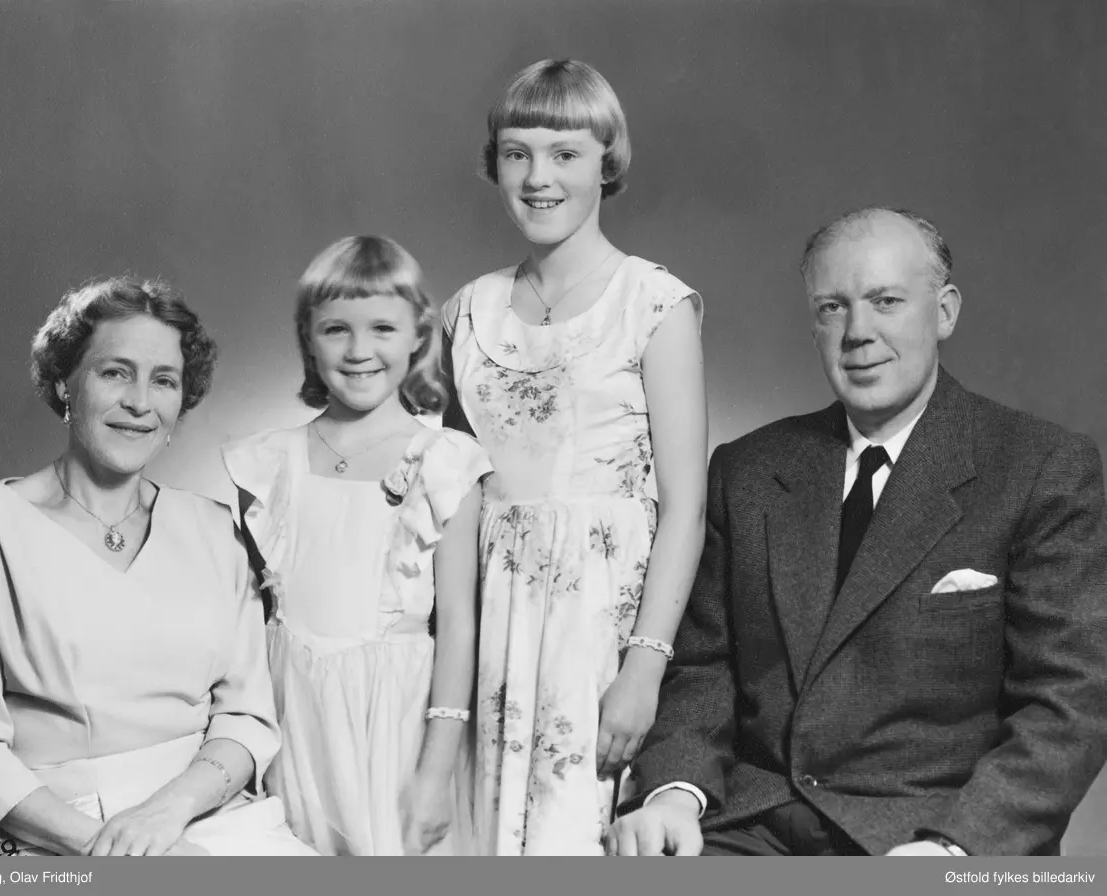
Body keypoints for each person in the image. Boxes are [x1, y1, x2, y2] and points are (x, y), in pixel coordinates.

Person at [608, 207, 1107, 856]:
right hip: (753, 828)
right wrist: (674, 791)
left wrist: (956, 847)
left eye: (886, 301)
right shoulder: (749, 470)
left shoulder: (1039, 467)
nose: (858, 332)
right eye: (832, 308)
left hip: (935, 836)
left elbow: (1069, 702)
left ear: (946, 311)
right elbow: (705, 667)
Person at [0, 277, 315, 856]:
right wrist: (119, 849)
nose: (139, 402)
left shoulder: (213, 529)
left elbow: (247, 718)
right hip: (61, 835)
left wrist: (168, 813)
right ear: (64, 382)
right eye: (114, 372)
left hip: (210, 812)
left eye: (164, 380)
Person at [443, 59, 708, 854]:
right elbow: (448, 492)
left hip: (605, 630)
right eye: (517, 153)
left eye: (565, 153)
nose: (538, 177)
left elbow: (687, 507)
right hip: (491, 627)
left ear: (606, 162)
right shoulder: (467, 311)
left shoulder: (654, 304)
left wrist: (645, 670)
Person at [224, 236, 490, 855]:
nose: (359, 350)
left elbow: (458, 628)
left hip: (398, 728)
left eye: (382, 328)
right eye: (336, 329)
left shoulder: (446, 463)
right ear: (307, 339)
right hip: (296, 726)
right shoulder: (267, 464)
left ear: (418, 336)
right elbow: (256, 619)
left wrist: (434, 772)